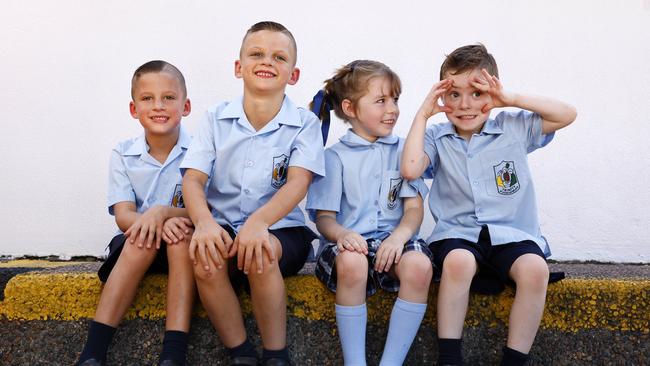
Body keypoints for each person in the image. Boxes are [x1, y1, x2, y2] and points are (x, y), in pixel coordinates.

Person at [400, 44, 577, 366]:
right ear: (442, 97)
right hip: (459, 233)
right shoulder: (437, 136)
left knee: (535, 270)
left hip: (511, 232)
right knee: (459, 263)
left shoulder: (513, 126)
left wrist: (510, 99)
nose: (465, 105)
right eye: (454, 95)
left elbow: (567, 114)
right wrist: (423, 114)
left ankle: (514, 359)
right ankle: (450, 357)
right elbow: (411, 168)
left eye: (477, 93)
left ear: (493, 93)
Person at [180, 21, 325, 366]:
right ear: (238, 66)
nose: (267, 62)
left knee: (261, 252)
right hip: (225, 224)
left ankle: (276, 354)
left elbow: (298, 182)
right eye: (256, 54)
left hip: (281, 229)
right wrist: (202, 223)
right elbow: (193, 180)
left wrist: (259, 223)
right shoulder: (216, 118)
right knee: (205, 261)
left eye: (279, 57)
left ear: (293, 74)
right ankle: (241, 353)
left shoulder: (304, 124)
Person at [307, 60, 433, 366]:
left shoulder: (406, 151)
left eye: (395, 100)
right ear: (350, 108)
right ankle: (355, 362)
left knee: (419, 266)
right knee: (352, 263)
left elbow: (414, 209)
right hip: (349, 243)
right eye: (381, 101)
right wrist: (343, 235)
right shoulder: (334, 157)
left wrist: (399, 238)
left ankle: (391, 362)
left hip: (395, 241)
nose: (392, 109)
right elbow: (324, 218)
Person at [77, 60, 195, 366]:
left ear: (186, 106)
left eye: (169, 97)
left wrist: (163, 214)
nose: (158, 106)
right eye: (147, 98)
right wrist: (154, 221)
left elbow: (201, 212)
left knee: (182, 238)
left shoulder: (200, 151)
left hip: (182, 246)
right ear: (133, 108)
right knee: (141, 237)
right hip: (137, 244)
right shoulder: (123, 153)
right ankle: (92, 353)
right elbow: (123, 215)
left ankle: (173, 354)